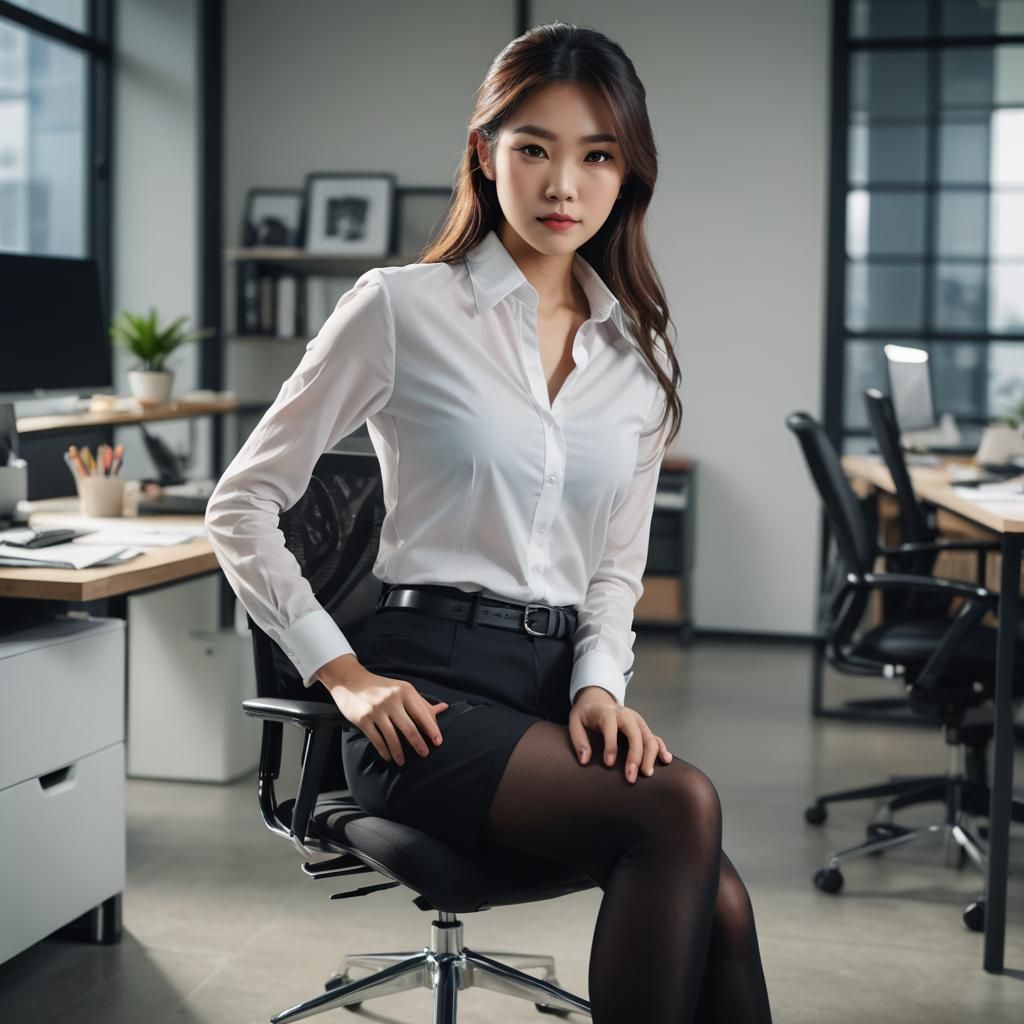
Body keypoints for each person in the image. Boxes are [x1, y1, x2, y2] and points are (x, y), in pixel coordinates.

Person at [205, 22, 772, 1024]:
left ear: (627, 172)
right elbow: (240, 502)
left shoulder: (637, 357)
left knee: (719, 898)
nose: (564, 185)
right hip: (422, 702)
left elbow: (611, 572)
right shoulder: (400, 309)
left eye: (596, 155)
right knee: (682, 807)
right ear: (485, 153)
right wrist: (343, 674)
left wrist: (600, 686)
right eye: (534, 149)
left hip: (553, 698)